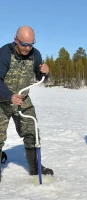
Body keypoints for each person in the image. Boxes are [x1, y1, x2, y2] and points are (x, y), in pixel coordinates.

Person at [0, 26, 53, 175]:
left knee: (32, 133)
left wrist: (45, 73)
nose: (28, 48)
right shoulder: (4, 53)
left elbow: (39, 77)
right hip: (2, 100)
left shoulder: (35, 54)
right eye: (24, 44)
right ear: (16, 40)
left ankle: (35, 168)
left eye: (31, 44)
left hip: (23, 99)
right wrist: (9, 95)